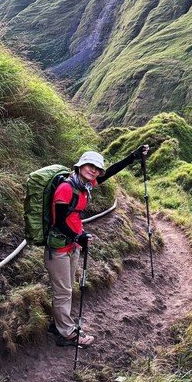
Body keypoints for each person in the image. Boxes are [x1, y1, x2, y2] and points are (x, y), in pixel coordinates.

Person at [46, 145, 149, 347]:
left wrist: (132, 157)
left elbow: (109, 173)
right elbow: (58, 222)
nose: (93, 170)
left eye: (96, 168)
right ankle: (67, 334)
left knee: (67, 288)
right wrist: (79, 238)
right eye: (89, 166)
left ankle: (58, 324)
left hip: (72, 244)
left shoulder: (85, 185)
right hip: (58, 248)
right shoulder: (67, 188)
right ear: (80, 165)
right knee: (64, 291)